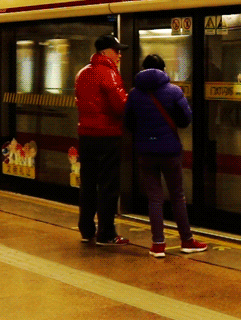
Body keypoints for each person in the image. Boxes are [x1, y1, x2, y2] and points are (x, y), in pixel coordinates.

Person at [124, 54, 207, 258]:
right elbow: (185, 120)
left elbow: (128, 124)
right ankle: (187, 241)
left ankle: (158, 244)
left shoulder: (134, 94)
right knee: (177, 196)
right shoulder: (173, 91)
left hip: (145, 152)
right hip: (170, 151)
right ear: (163, 69)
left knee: (154, 198)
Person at [75, 33, 130, 246]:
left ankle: (87, 229)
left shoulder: (82, 73)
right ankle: (106, 233)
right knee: (108, 186)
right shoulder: (109, 73)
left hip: (86, 135)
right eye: (117, 51)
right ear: (105, 52)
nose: (119, 55)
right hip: (107, 136)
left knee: (87, 184)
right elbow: (120, 106)